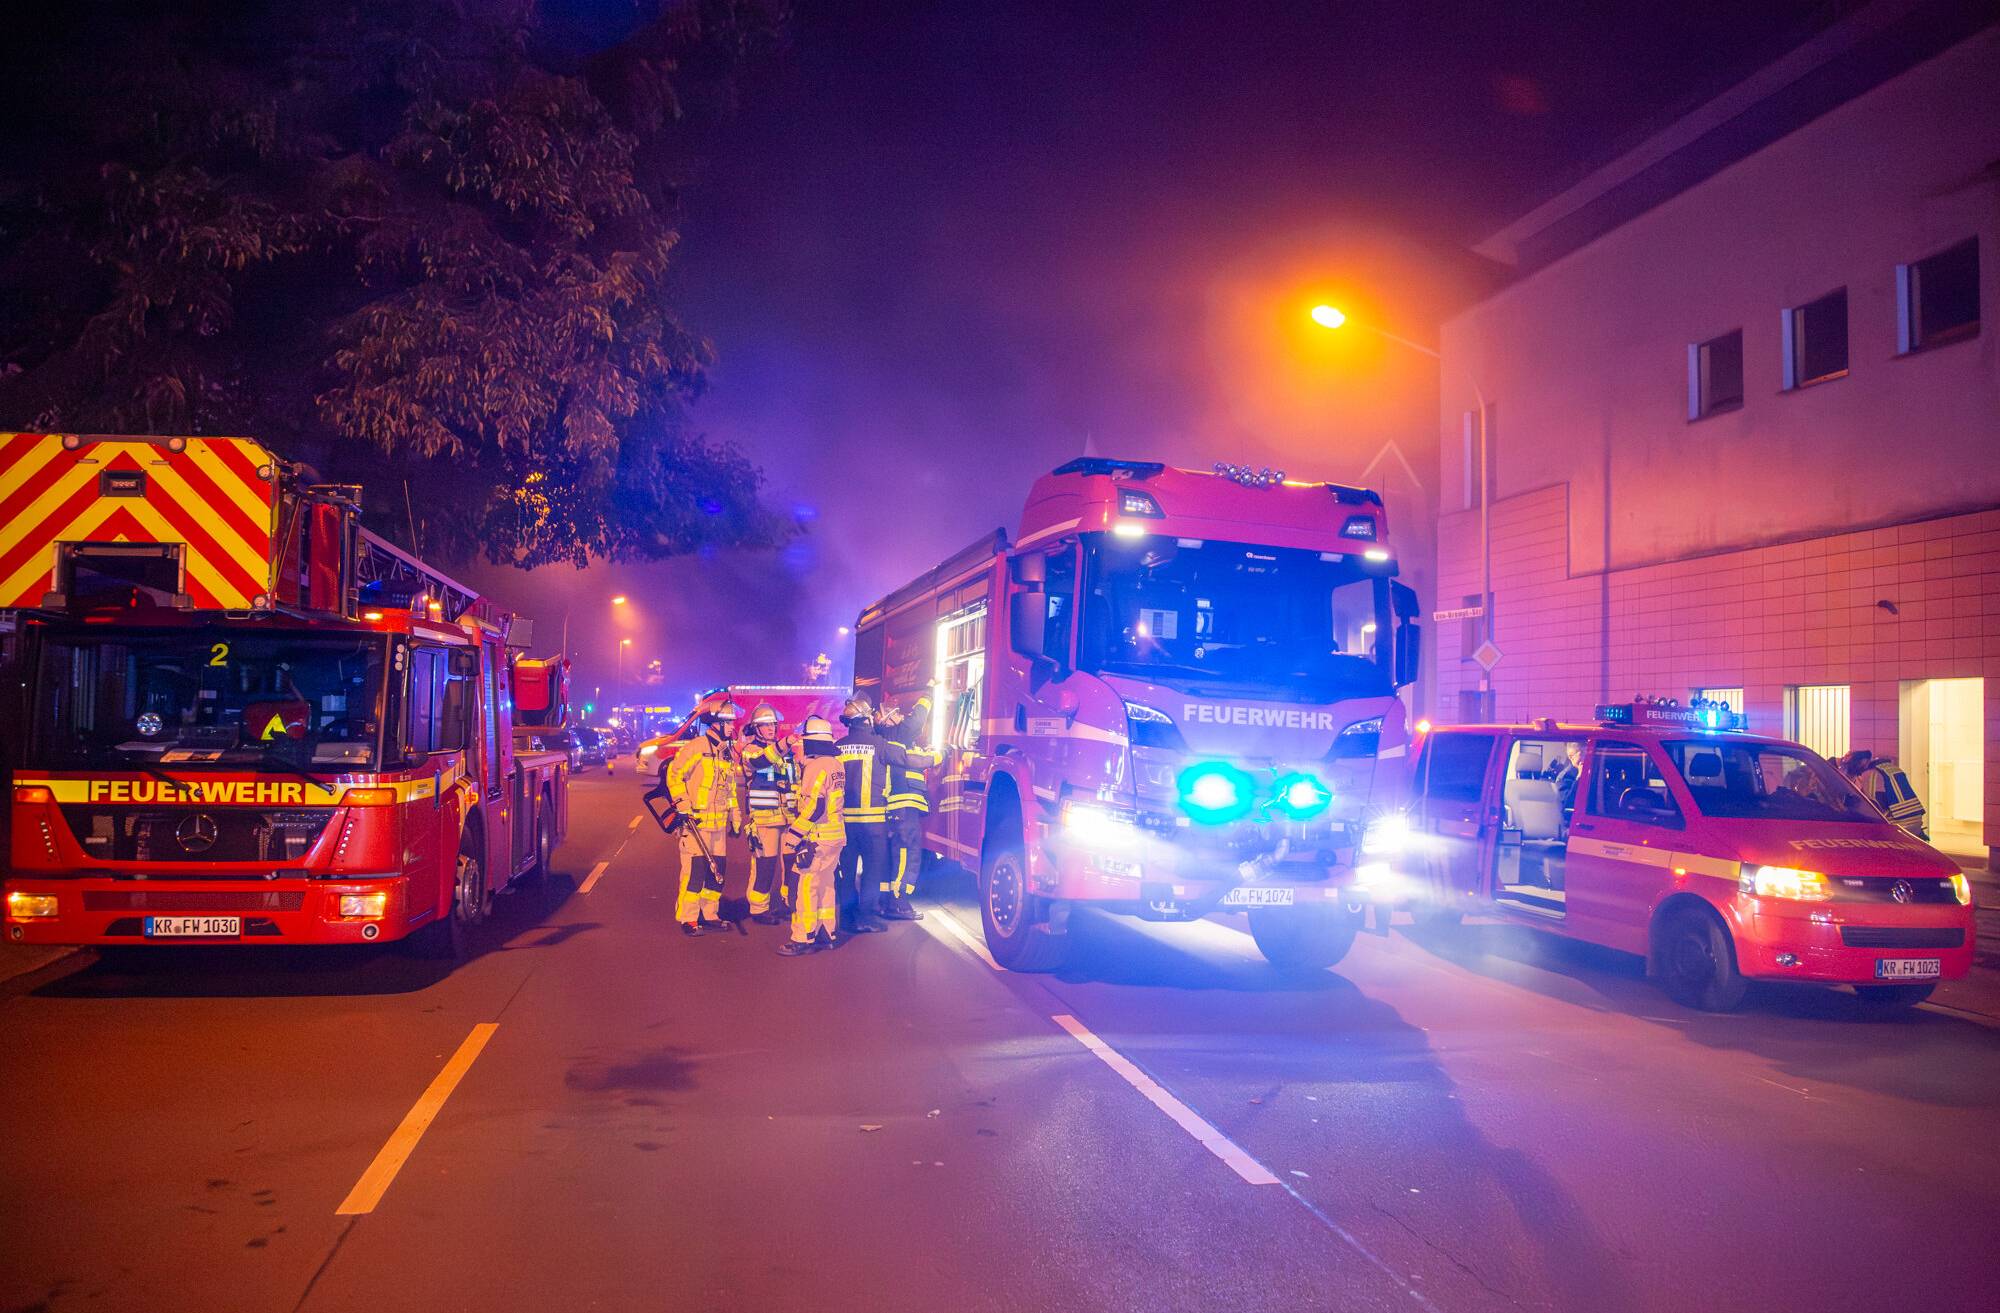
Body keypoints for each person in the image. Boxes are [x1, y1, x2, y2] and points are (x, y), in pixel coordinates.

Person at [666, 701, 742, 935]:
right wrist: (683, 804)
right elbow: (674, 774)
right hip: (695, 824)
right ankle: (688, 918)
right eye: (728, 722)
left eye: (732, 722)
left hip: (718, 825)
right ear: (717, 724)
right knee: (695, 872)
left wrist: (736, 817)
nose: (732, 727)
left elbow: (729, 789)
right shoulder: (697, 747)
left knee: (717, 872)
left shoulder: (726, 752)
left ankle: (710, 914)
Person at [779, 716, 846, 956]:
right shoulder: (836, 764)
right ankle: (826, 932)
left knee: (806, 887)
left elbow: (814, 807)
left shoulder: (816, 767)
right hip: (835, 836)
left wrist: (794, 836)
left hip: (816, 838)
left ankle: (802, 937)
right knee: (826, 885)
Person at [835, 696, 892, 934]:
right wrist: (938, 756)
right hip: (873, 823)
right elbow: (905, 760)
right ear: (867, 718)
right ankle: (866, 916)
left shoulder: (837, 746)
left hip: (845, 822)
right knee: (872, 870)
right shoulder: (880, 744)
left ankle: (847, 918)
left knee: (846, 871)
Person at [877, 695, 936, 921]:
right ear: (890, 720)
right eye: (898, 714)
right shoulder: (897, 734)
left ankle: (885, 901)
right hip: (903, 806)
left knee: (892, 855)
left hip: (895, 807)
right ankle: (899, 904)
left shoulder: (889, 740)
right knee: (906, 854)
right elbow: (916, 721)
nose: (903, 717)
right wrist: (927, 696)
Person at [739, 703, 798, 924]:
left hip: (789, 817)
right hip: (764, 819)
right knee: (765, 865)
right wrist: (785, 744)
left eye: (773, 724)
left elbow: (796, 779)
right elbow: (761, 761)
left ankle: (787, 902)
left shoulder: (786, 753)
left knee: (791, 863)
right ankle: (758, 909)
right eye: (765, 725)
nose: (771, 728)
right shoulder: (751, 750)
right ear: (756, 729)